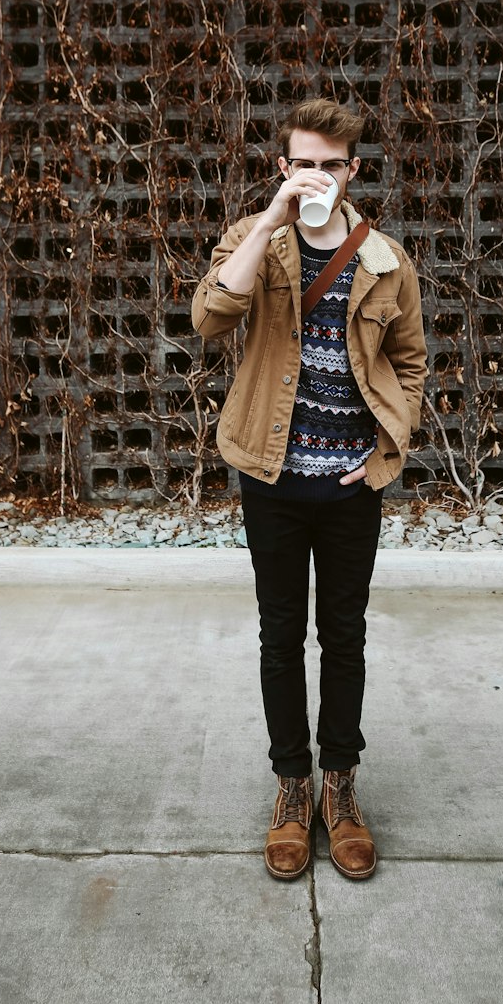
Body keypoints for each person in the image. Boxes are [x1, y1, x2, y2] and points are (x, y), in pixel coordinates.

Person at [191, 98, 428, 881]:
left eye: (332, 164)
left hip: (352, 484)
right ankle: (292, 790)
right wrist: (269, 220)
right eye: (304, 162)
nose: (318, 175)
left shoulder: (387, 260)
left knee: (346, 636)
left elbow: (412, 361)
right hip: (273, 479)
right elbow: (210, 315)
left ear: (353, 170)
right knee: (280, 634)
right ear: (284, 166)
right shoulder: (258, 243)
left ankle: (341, 786)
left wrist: (388, 448)